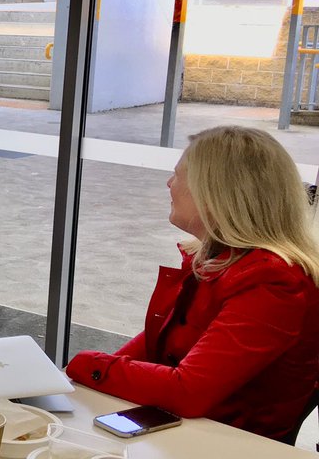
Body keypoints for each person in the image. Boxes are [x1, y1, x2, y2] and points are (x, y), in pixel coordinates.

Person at [67, 126, 319, 442]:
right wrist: (94, 374)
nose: (169, 184)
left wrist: (88, 365)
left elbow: (188, 391)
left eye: (179, 176)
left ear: (214, 193)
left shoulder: (274, 283)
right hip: (193, 435)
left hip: (232, 455)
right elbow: (161, 341)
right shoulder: (222, 259)